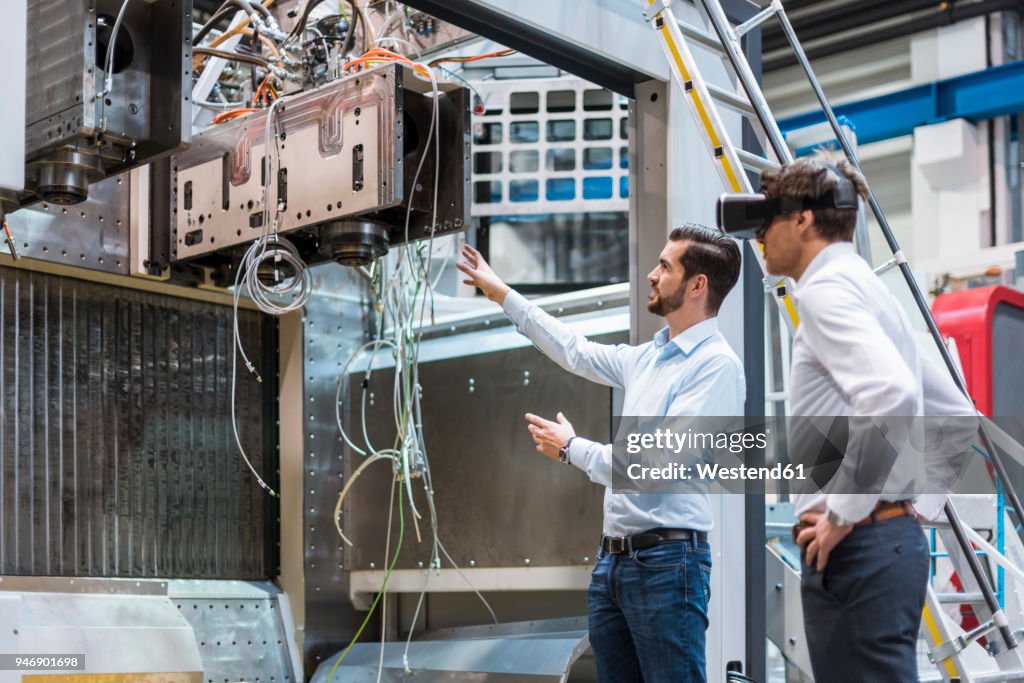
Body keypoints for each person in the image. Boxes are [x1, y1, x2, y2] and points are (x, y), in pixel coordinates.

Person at [456, 224, 745, 683]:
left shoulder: (715, 367)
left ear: (697, 285)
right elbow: (574, 351)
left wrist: (572, 448)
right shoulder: (650, 359)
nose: (652, 274)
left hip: (669, 565)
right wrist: (501, 294)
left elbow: (656, 467)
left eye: (665, 266)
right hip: (614, 561)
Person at [754, 155, 931, 682]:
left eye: (769, 221)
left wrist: (844, 515)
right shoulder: (869, 288)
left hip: (859, 549)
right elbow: (942, 398)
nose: (760, 236)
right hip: (883, 539)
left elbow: (893, 393)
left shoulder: (827, 292)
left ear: (803, 219)